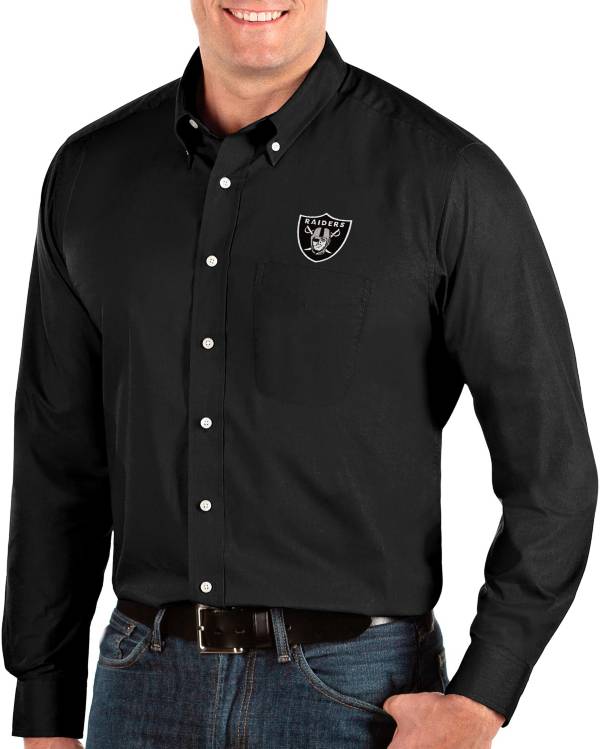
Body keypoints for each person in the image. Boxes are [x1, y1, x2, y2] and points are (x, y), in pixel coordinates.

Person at [3, 1, 597, 748]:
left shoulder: (444, 178)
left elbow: (554, 472)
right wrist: (46, 708)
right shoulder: (90, 175)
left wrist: (481, 699)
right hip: (141, 689)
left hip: (357, 697)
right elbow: (57, 461)